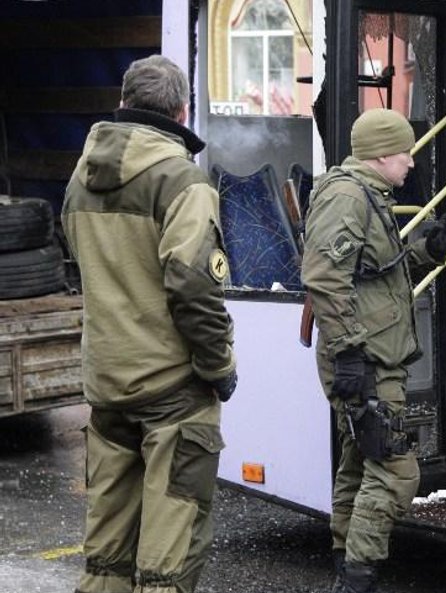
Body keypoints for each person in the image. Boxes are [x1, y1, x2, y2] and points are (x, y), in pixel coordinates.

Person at [62, 55, 237, 593]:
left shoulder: (79, 178)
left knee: (106, 560)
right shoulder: (182, 181)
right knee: (167, 561)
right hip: (171, 391)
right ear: (182, 109)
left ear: (122, 102)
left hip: (107, 385)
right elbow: (194, 288)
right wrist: (219, 366)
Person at [302, 108, 446, 593]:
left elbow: (377, 274)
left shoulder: (369, 195)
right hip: (364, 360)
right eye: (405, 153)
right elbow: (324, 279)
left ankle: (346, 575)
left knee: (359, 464)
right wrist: (349, 353)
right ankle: (358, 579)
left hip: (371, 357)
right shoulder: (348, 198)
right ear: (380, 155)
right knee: (394, 470)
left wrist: (428, 249)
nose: (411, 163)